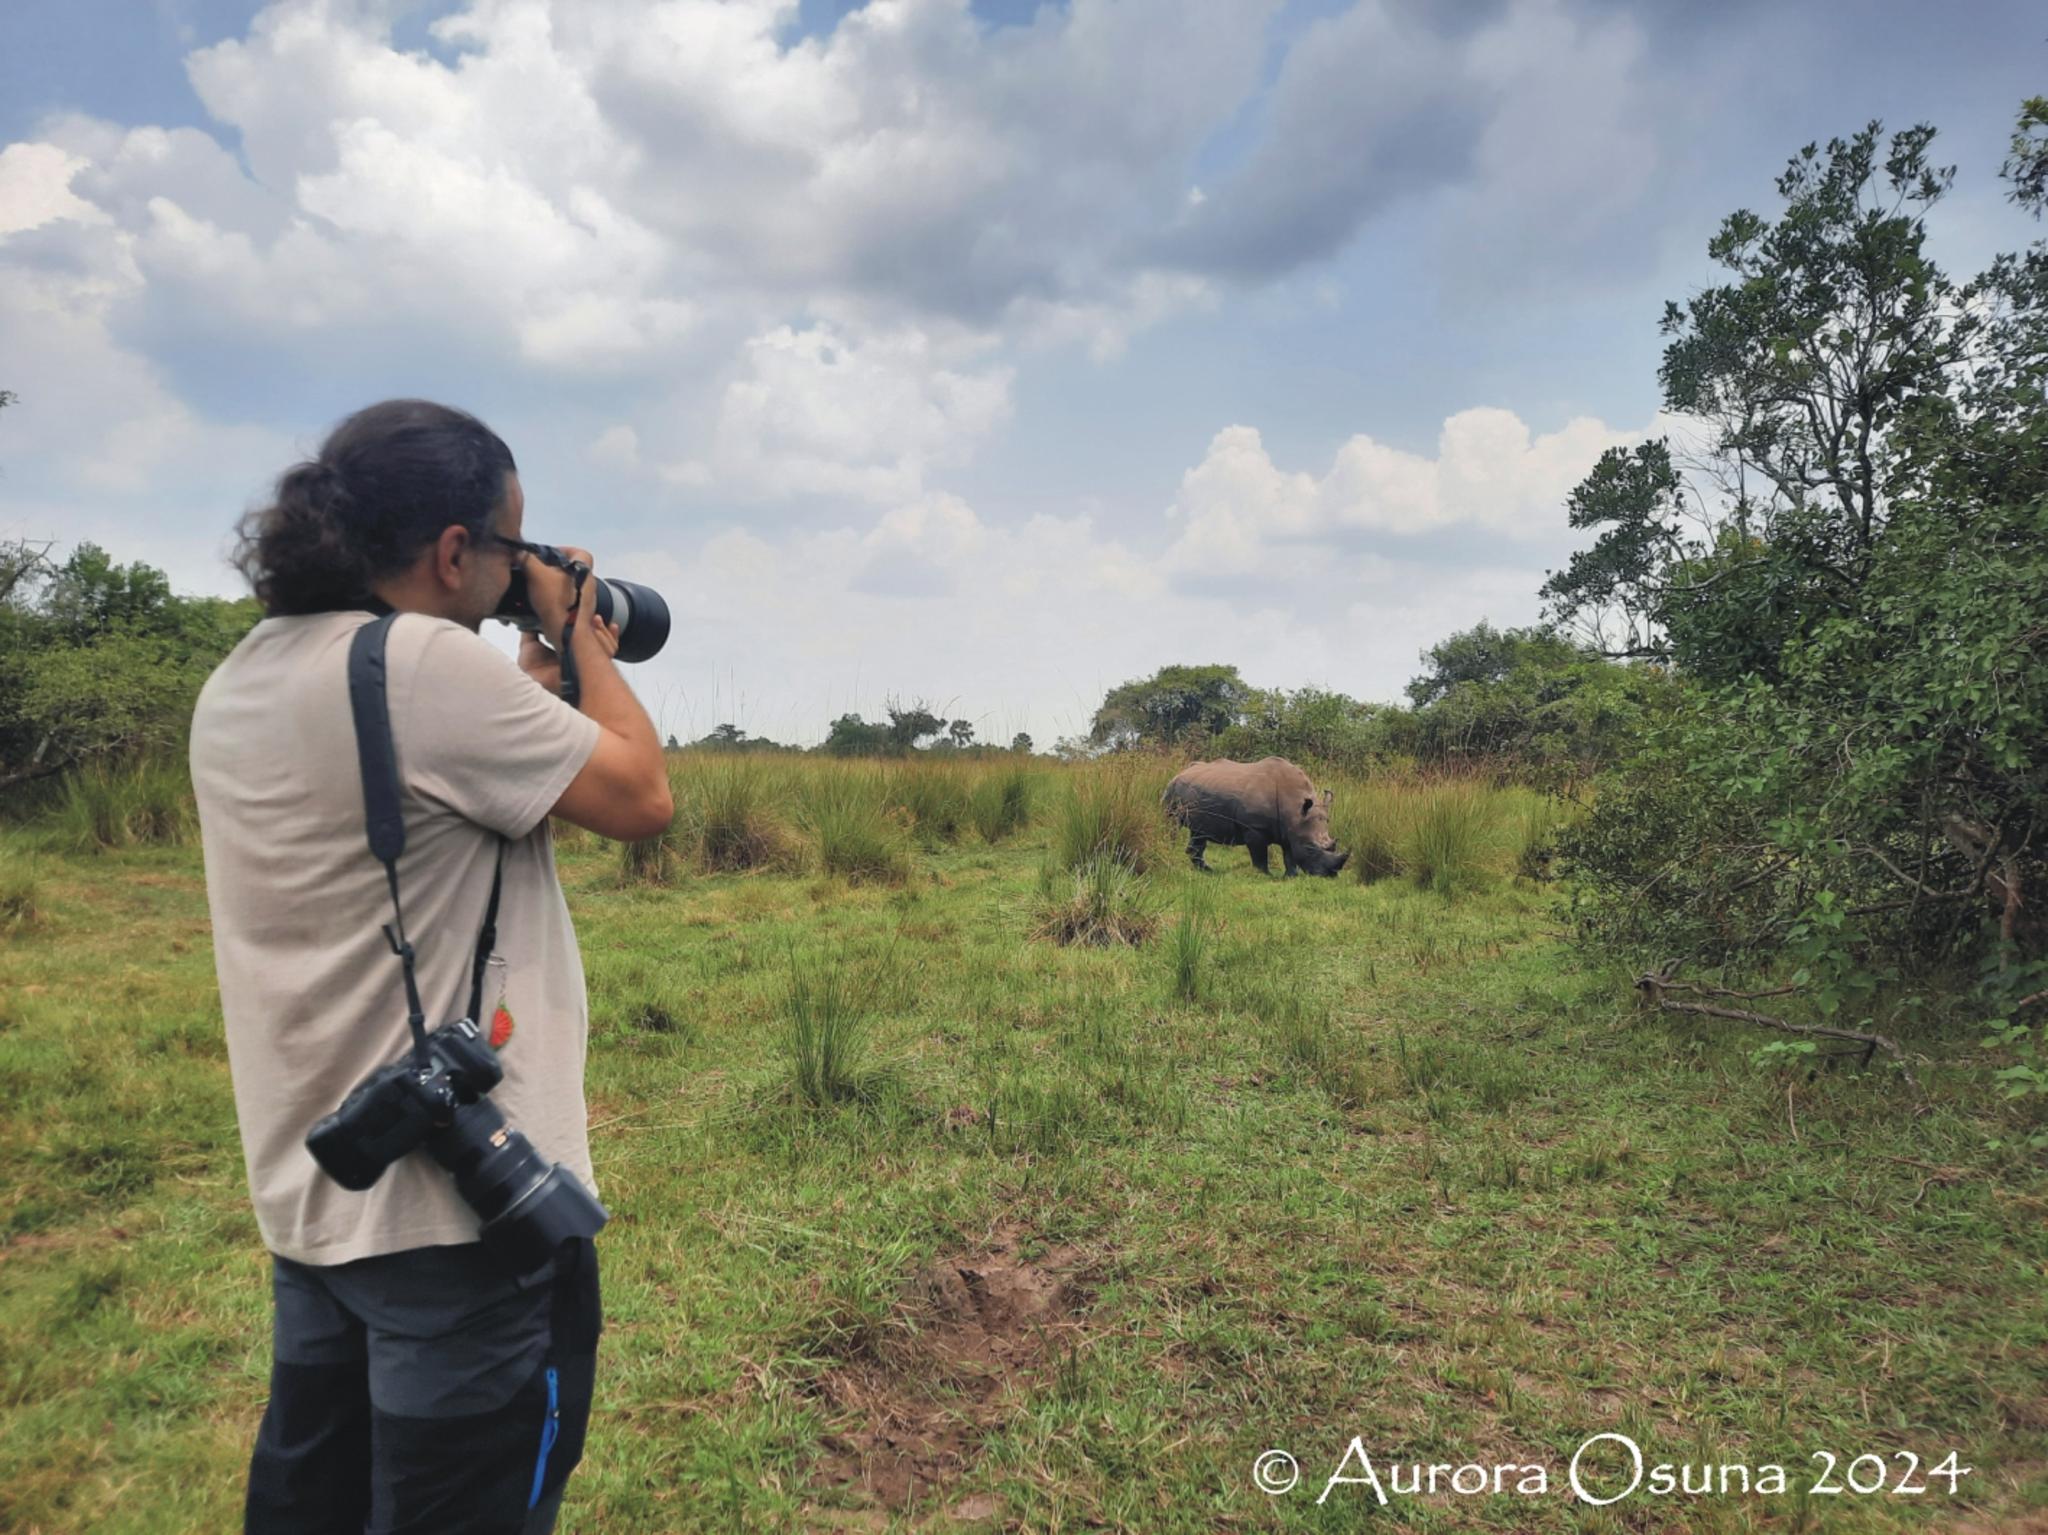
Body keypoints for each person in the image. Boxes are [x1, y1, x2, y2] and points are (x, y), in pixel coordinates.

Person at [190, 399, 672, 1533]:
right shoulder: (419, 668)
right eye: (511, 546)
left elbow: (453, 798)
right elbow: (640, 795)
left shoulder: (243, 676)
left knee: (324, 1504)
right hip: (457, 1219)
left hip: (318, 1191)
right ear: (456, 550)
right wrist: (579, 632)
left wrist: (537, 655)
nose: (518, 569)